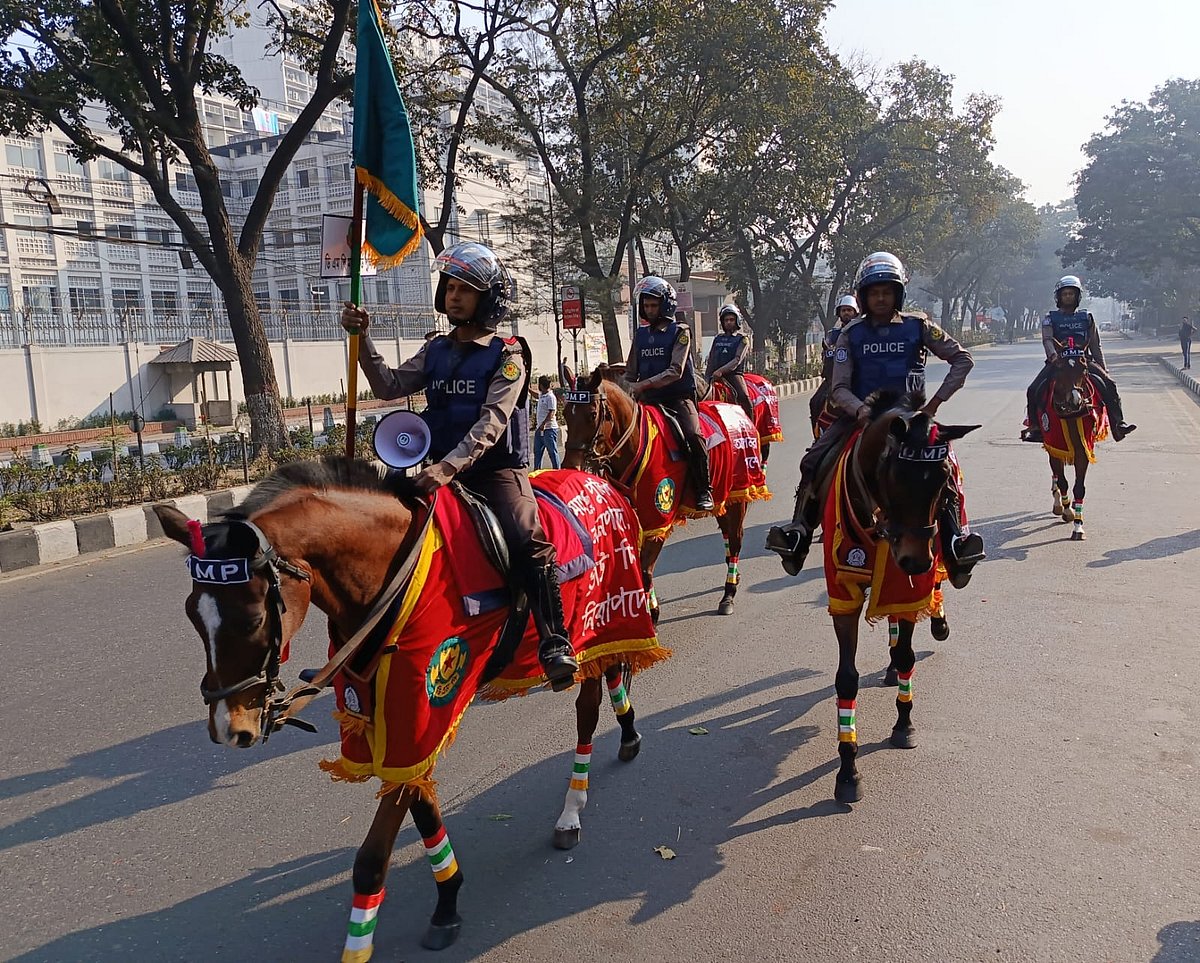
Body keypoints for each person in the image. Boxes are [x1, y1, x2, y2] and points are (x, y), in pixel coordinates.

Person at [340, 241, 578, 689]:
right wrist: (362, 338)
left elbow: (493, 420)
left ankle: (554, 639)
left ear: (489, 298)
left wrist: (449, 468)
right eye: (449, 288)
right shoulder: (435, 349)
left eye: (465, 290)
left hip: (494, 473)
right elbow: (388, 386)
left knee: (527, 537)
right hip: (434, 471)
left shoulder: (508, 353)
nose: (453, 296)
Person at [766, 251, 985, 584]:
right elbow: (839, 387)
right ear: (864, 297)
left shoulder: (919, 326)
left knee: (946, 466)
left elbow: (962, 360)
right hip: (860, 418)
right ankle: (798, 534)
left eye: (887, 291)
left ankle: (955, 543)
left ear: (898, 294)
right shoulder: (850, 334)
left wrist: (934, 404)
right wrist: (861, 410)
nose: (881, 298)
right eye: (874, 293)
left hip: (911, 421)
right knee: (812, 459)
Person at [625, 276, 715, 511]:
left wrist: (642, 385)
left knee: (693, 436)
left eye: (654, 305)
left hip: (677, 398)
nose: (649, 310)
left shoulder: (680, 331)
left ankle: (704, 489)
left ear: (665, 305)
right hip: (647, 401)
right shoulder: (640, 335)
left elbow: (675, 371)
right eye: (646, 305)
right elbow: (630, 372)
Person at [1021, 276, 1137, 443]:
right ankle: (1035, 428)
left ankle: (1118, 425)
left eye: (1071, 294)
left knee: (1110, 385)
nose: (1068, 297)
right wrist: (1053, 356)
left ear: (1077, 296)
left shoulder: (1087, 318)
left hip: (1083, 361)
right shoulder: (1050, 318)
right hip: (1059, 362)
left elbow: (1095, 345)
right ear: (1059, 297)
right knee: (1033, 389)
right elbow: (1047, 340)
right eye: (1065, 294)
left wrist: (1103, 368)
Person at [810, 294, 859, 435]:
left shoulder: (860, 332)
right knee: (815, 402)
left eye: (849, 310)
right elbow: (826, 353)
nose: (846, 313)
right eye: (843, 310)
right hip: (833, 380)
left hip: (856, 379)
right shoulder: (833, 334)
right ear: (839, 313)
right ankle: (818, 436)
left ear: (855, 312)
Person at [705, 303, 755, 423]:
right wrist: (707, 377)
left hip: (734, 375)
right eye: (726, 320)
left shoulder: (742, 339)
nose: (728, 322)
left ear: (737, 321)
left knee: (744, 397)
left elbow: (737, 360)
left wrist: (721, 371)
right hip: (714, 376)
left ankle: (751, 425)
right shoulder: (717, 338)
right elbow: (711, 359)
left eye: (731, 320)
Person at [533, 375, 560, 469]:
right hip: (539, 429)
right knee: (537, 452)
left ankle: (557, 471)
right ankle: (537, 471)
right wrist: (528, 389)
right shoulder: (542, 395)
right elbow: (536, 395)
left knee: (552, 452)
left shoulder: (550, 397)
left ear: (541, 385)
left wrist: (543, 424)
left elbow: (552, 412)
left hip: (549, 429)